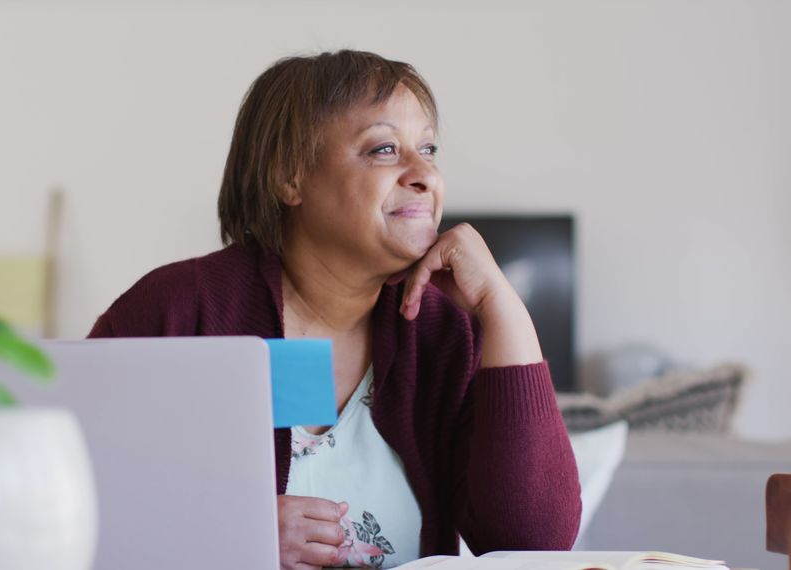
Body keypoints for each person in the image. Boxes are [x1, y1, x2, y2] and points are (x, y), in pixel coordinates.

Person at [88, 49, 581, 569]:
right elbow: (64, 503)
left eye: (429, 148)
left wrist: (504, 310)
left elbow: (534, 543)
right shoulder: (178, 311)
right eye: (385, 149)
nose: (424, 175)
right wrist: (224, 532)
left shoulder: (443, 334)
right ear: (290, 177)